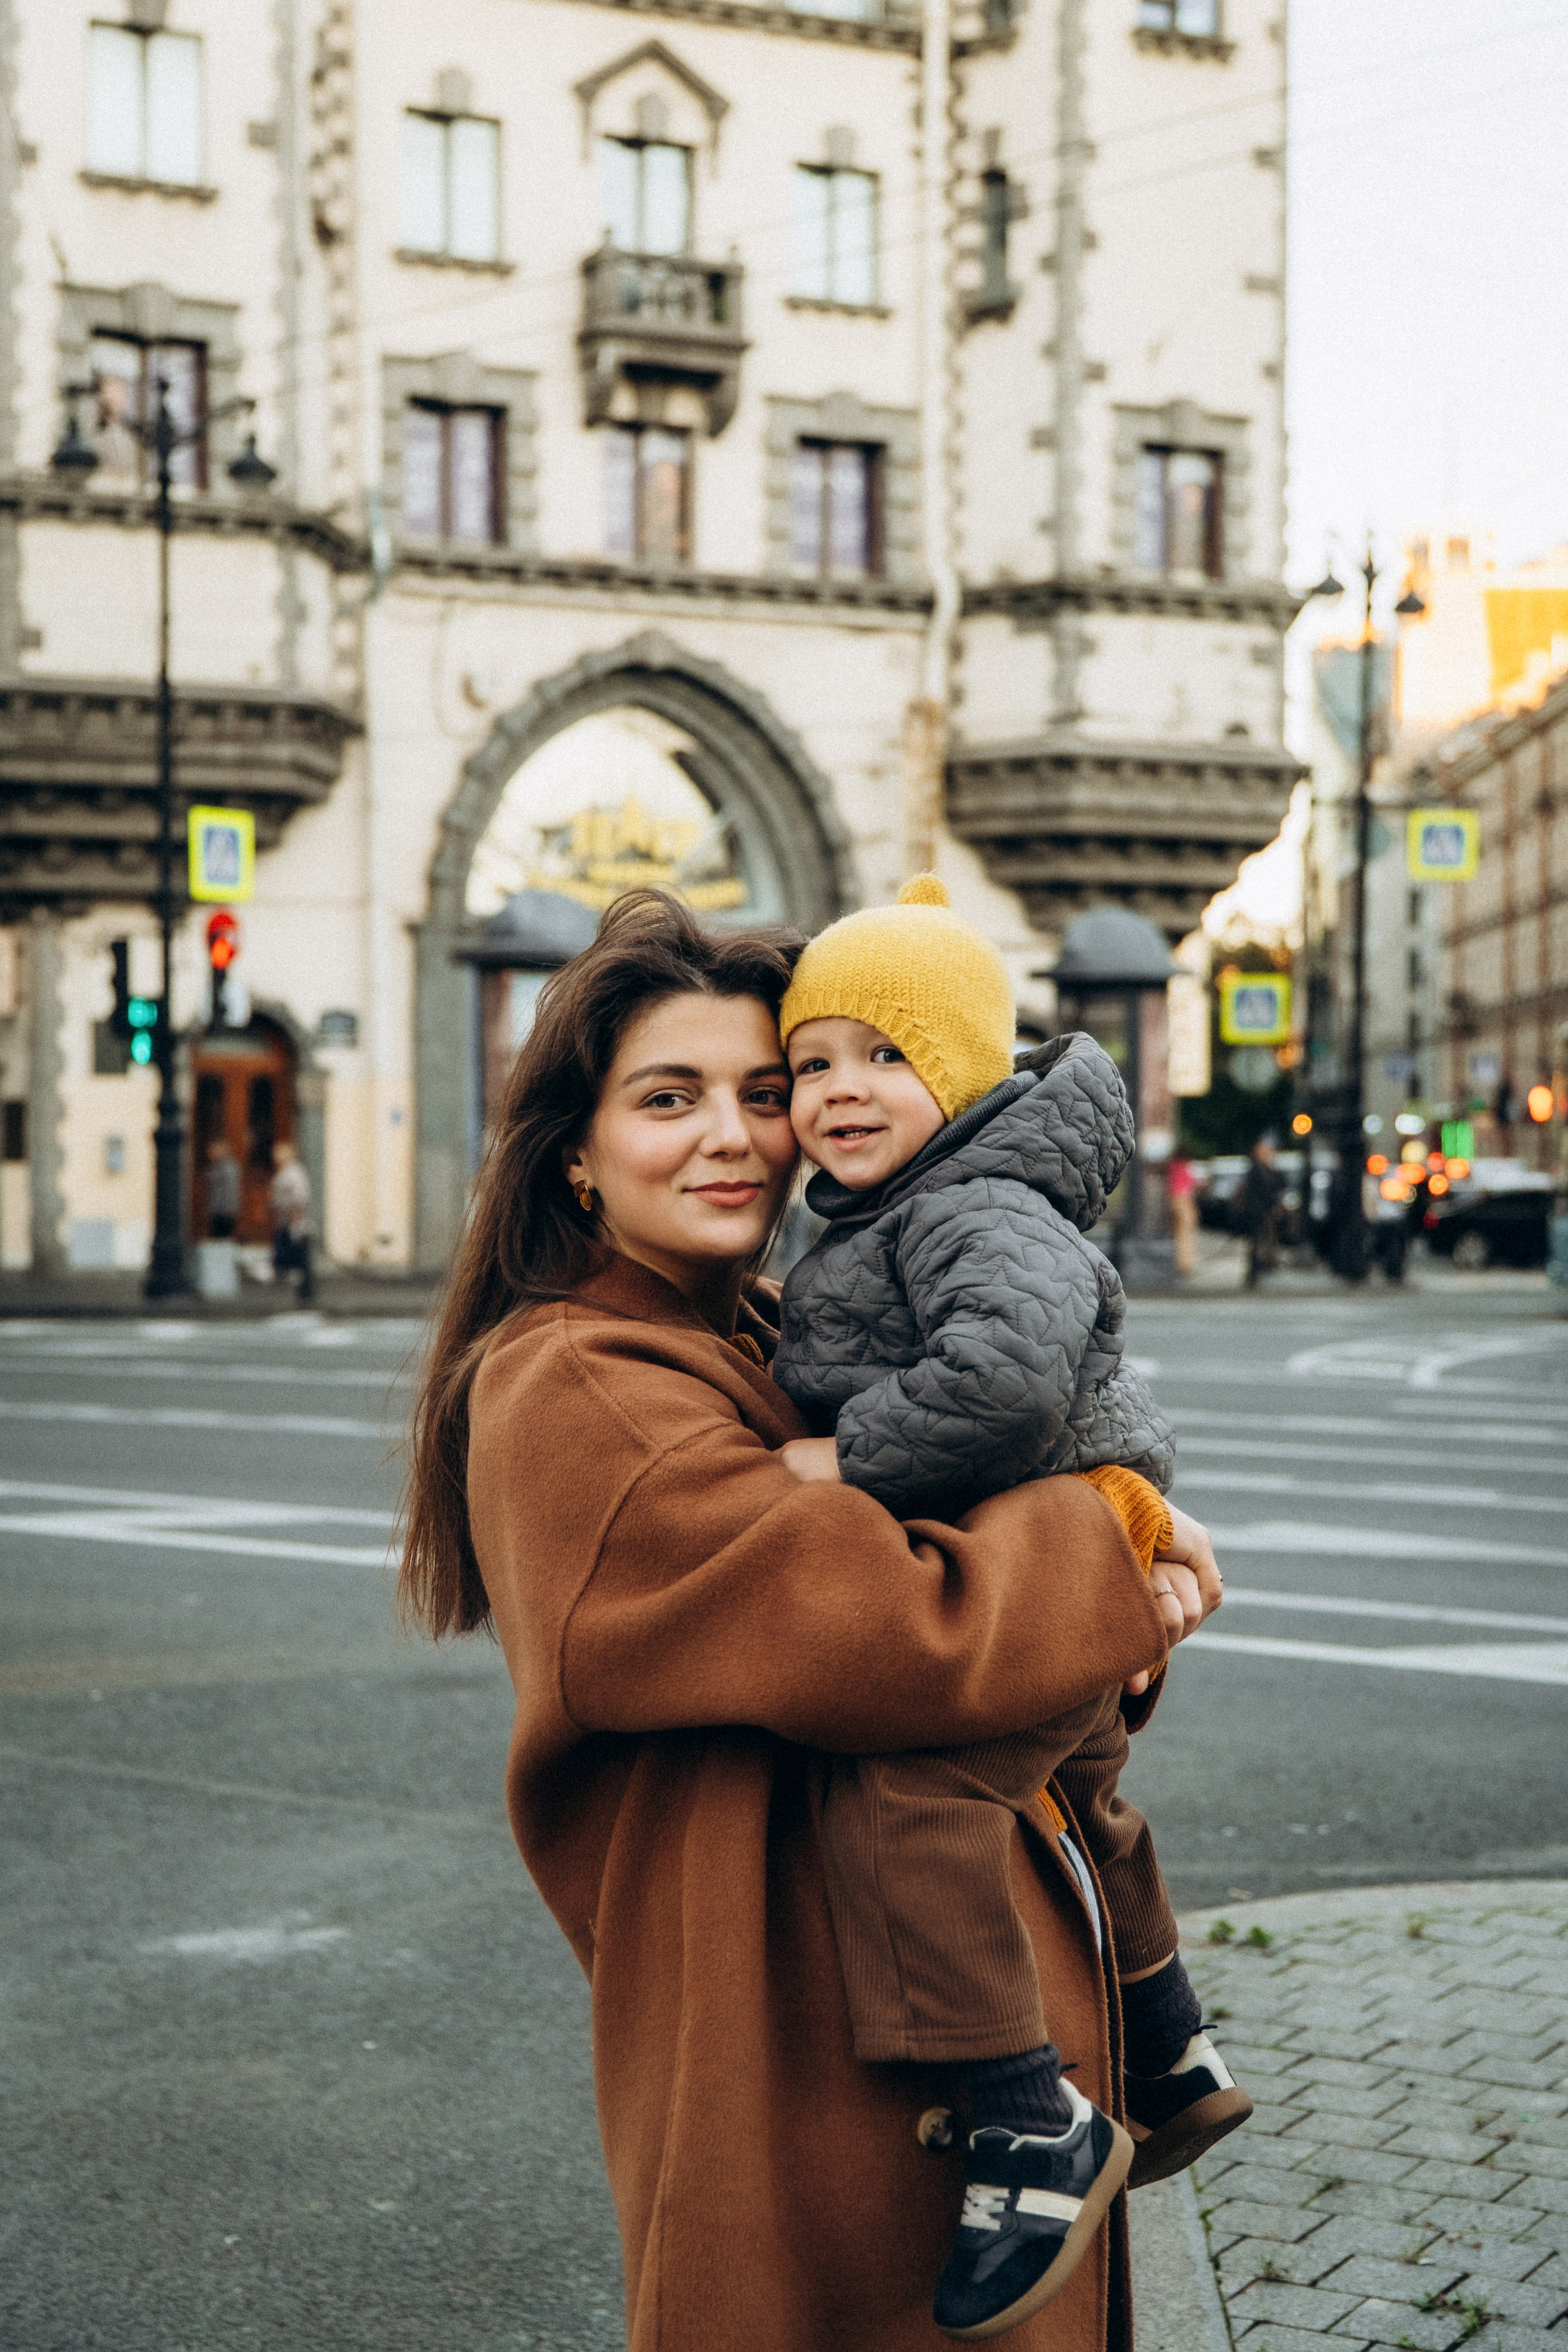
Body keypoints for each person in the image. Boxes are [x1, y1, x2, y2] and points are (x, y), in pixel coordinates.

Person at [399, 889, 1226, 2352]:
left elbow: (985, 1551)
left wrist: (1108, 1574)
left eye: (761, 1091)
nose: (734, 1132)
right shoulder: (579, 1382)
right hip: (812, 2069)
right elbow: (907, 1626)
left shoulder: (767, 1327)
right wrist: (1113, 1529)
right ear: (576, 1157)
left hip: (916, 2030)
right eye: (669, 1097)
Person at [771, 877, 1246, 2335]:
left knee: (907, 1804)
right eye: (811, 1061)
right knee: (1083, 1799)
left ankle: (1021, 2111)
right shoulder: (916, 1200)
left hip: (1043, 1560)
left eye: (885, 1054)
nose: (840, 1090)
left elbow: (1003, 1380)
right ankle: (1162, 2042)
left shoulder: (967, 1203)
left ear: (967, 1070)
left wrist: (838, 1452)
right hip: (1062, 1567)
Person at [1233, 1134, 1283, 1287]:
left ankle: (1257, 1270)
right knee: (1258, 1242)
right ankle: (1257, 1270)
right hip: (1258, 1211)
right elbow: (1266, 1190)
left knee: (1258, 1242)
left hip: (1258, 1210)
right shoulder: (1259, 1168)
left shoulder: (1258, 1167)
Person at [268, 1141, 313, 1301]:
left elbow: (300, 1197)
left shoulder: (294, 1173)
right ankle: (301, 1292)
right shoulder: (285, 1171)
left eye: (279, 1153)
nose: (276, 1156)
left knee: (298, 1257)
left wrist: (295, 1219)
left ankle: (304, 1293)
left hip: (292, 1222)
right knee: (295, 1257)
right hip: (284, 1220)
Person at [1166, 1150, 1199, 1279]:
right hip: (1184, 1200)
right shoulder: (1185, 1167)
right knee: (1186, 1235)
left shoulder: (1172, 1166)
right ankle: (1185, 1264)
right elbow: (1191, 1186)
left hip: (1173, 1200)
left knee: (1178, 1234)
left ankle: (1179, 1262)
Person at [205, 1139, 241, 1240]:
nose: (210, 1154)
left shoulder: (228, 1168)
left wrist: (228, 1208)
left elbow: (230, 1190)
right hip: (217, 1209)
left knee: (223, 1238)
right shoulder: (216, 1166)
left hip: (224, 1211)